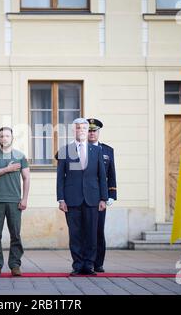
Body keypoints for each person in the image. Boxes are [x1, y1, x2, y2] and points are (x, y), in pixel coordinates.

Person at [57, 118, 108, 276]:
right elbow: (60, 177)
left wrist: (103, 198)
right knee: (75, 234)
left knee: (92, 234)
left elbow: (101, 175)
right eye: (78, 128)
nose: (81, 131)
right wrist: (61, 199)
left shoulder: (97, 151)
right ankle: (78, 265)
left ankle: (89, 265)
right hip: (72, 199)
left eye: (84, 128)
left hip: (93, 198)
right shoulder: (66, 150)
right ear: (74, 131)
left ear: (88, 131)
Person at [0, 127, 30, 277]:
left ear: (12, 138)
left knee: (15, 234)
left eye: (7, 136)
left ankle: (15, 265)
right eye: (2, 136)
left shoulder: (20, 156)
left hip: (14, 201)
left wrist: (24, 198)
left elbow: (26, 178)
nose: (4, 138)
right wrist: (7, 169)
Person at [87, 118, 117, 273]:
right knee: (86, 231)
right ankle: (87, 262)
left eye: (94, 131)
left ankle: (98, 262)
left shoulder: (107, 150)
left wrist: (111, 194)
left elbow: (111, 173)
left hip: (100, 196)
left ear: (99, 132)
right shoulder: (79, 149)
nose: (92, 133)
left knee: (98, 230)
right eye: (89, 130)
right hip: (85, 195)